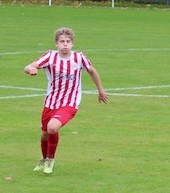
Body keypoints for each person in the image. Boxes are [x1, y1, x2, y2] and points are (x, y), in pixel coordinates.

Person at [23, 27, 108, 175]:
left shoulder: (79, 58)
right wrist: (31, 69)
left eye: (68, 41)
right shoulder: (50, 56)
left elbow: (92, 71)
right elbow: (28, 66)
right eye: (62, 41)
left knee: (52, 127)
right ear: (56, 43)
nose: (65, 44)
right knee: (44, 134)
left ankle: (50, 160)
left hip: (70, 103)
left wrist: (100, 90)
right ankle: (44, 159)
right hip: (51, 102)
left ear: (72, 43)